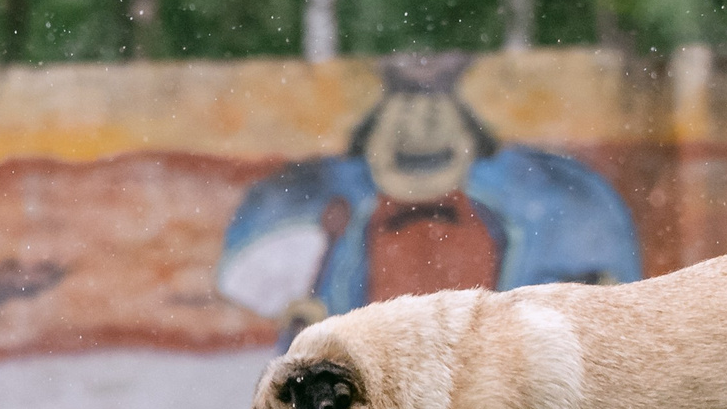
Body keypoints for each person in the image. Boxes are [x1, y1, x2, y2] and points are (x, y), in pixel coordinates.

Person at [217, 52, 642, 339]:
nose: (420, 128)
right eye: (404, 113)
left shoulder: (517, 227)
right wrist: (311, 328)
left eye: (435, 112)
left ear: (473, 140)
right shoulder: (342, 235)